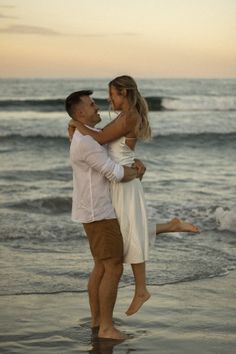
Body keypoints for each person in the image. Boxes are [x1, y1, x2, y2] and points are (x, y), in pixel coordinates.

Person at [68, 77, 199, 317]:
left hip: (125, 183)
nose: (109, 100)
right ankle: (170, 226)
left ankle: (141, 289)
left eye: (113, 95)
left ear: (125, 93)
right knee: (128, 231)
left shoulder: (130, 117)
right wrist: (77, 129)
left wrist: (76, 123)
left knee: (131, 232)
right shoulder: (123, 116)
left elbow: (99, 139)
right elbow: (105, 142)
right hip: (120, 180)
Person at [65, 90, 144, 340]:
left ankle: (99, 321)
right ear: (80, 113)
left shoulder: (83, 137)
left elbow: (112, 156)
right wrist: (136, 172)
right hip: (99, 212)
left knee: (101, 266)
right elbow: (114, 173)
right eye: (91, 105)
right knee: (113, 267)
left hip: (92, 210)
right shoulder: (86, 143)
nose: (97, 107)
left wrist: (134, 164)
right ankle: (107, 328)